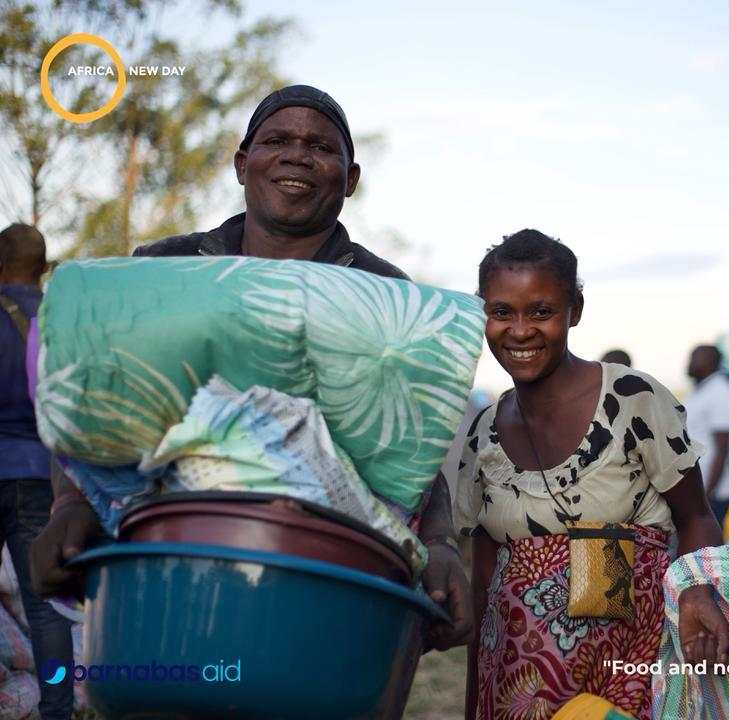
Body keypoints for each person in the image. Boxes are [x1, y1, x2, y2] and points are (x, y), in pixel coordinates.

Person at [28, 85, 471, 653]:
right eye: (277, 140)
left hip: (327, 581)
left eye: (320, 146)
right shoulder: (166, 269)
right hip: (172, 567)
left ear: (350, 178)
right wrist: (69, 507)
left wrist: (440, 546)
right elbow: (93, 394)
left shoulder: (387, 296)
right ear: (243, 163)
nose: (297, 155)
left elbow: (411, 447)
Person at [455, 230, 729, 720]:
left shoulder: (632, 401)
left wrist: (698, 591)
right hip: (516, 687)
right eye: (501, 312)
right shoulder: (483, 435)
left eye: (541, 311)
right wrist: (476, 700)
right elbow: (483, 582)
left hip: (626, 676)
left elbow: (697, 517)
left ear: (574, 310)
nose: (520, 330)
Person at [0, 224, 74, 720]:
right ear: (44, 268)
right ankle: (58, 710)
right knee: (44, 603)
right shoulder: (64, 320)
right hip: (40, 474)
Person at [684, 344, 729, 523]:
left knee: (707, 550)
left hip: (712, 493)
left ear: (710, 361)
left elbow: (723, 449)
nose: (689, 363)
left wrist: (707, 495)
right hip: (697, 490)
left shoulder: (721, 392)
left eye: (695, 357)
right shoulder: (701, 390)